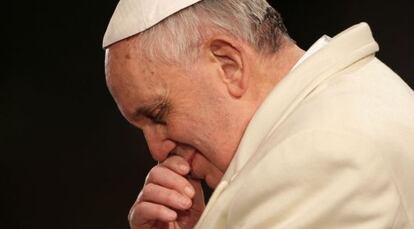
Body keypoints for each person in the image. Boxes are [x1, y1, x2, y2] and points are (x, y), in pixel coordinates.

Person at [103, 0, 414, 228]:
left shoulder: (319, 156)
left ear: (228, 65)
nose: (156, 149)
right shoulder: (348, 97)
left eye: (158, 114)